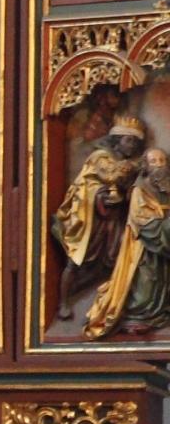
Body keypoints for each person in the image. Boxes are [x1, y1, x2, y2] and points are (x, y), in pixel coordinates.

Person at [52, 118, 146, 322]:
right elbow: (112, 175)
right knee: (75, 261)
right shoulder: (100, 157)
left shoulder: (129, 162)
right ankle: (64, 302)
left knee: (123, 255)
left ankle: (115, 303)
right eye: (128, 140)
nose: (132, 145)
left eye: (135, 142)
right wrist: (137, 166)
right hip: (87, 217)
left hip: (113, 219)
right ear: (117, 140)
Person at [85, 145, 170, 338]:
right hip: (145, 244)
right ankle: (139, 315)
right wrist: (165, 226)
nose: (159, 165)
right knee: (146, 281)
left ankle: (161, 313)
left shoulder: (167, 184)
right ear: (146, 166)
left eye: (162, 160)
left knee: (164, 281)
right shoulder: (140, 189)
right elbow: (142, 218)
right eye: (154, 161)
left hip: (165, 243)